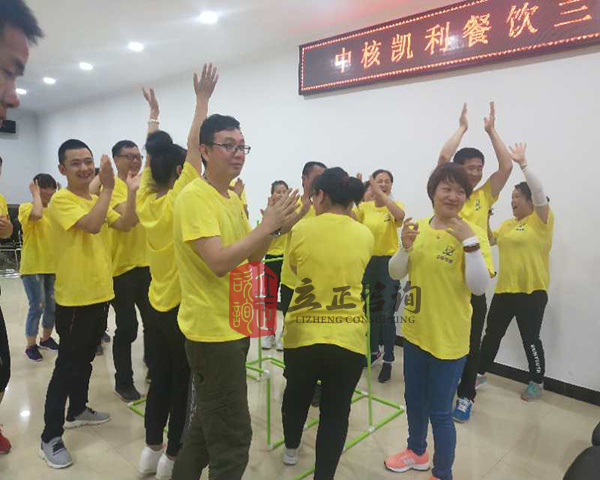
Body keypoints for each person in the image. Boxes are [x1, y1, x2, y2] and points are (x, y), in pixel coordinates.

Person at [171, 113, 297, 480]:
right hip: (212, 333)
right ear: (205, 150)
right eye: (228, 145)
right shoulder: (195, 198)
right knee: (232, 439)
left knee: (205, 428)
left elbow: (252, 258)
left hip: (233, 324)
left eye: (242, 146)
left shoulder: (229, 197)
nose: (238, 153)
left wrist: (274, 230)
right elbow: (219, 262)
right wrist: (266, 225)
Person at [385, 163, 494, 480]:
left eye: (460, 191)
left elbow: (478, 287)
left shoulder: (472, 233)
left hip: (450, 341)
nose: (453, 196)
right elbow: (395, 272)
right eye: (447, 188)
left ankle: (442, 472)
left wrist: (470, 245)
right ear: (433, 192)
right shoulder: (417, 227)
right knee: (413, 401)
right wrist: (405, 247)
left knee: (441, 412)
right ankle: (416, 451)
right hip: (415, 334)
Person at [136, 64, 218, 480]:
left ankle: (150, 450)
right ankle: (173, 456)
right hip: (180, 311)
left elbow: (156, 156)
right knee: (183, 383)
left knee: (160, 380)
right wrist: (202, 100)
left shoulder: (145, 202)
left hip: (155, 305)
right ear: (178, 173)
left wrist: (153, 117)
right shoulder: (177, 200)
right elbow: (192, 148)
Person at [39, 140, 138, 469]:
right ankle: (50, 436)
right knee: (67, 367)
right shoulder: (62, 201)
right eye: (76, 163)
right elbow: (93, 225)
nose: (84, 168)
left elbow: (126, 224)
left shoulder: (94, 199)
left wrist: (131, 193)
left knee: (84, 361)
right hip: (74, 299)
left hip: (99, 294)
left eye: (87, 161)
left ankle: (78, 409)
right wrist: (108, 188)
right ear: (62, 169)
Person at [281, 168, 373, 479]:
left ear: (321, 196)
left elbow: (295, 267)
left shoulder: (302, 229)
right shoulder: (365, 234)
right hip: (348, 337)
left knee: (296, 396)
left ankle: (291, 449)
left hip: (303, 333)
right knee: (336, 412)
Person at [437, 102, 512, 422]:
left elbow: (506, 167)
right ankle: (443, 386)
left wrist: (491, 131)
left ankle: (466, 395)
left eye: (480, 167)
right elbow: (443, 157)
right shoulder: (448, 195)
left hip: (474, 282)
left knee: (471, 341)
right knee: (444, 337)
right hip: (445, 279)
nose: (477, 172)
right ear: (457, 169)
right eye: (471, 167)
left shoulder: (483, 197)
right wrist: (462, 128)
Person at [478, 143, 554, 402]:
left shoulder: (541, 221)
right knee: (491, 335)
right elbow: (489, 240)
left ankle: (537, 381)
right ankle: (479, 373)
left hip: (532, 292)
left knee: (530, 339)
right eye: (511, 198)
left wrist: (523, 164)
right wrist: (485, 217)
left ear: (530, 200)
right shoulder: (508, 225)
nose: (512, 202)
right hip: (505, 291)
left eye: (517, 197)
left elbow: (540, 192)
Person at [0, 0, 43, 454]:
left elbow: (6, 232)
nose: (13, 97)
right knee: (36, 308)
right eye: (5, 71)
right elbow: (30, 221)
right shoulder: (44, 203)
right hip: (30, 267)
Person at [356, 169, 405, 383]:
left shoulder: (394, 206)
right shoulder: (364, 207)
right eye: (379, 181)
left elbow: (400, 216)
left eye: (386, 181)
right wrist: (354, 194)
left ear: (391, 185)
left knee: (385, 314)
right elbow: (351, 221)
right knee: (369, 311)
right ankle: (373, 351)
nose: (383, 184)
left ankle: (388, 360)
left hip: (387, 264)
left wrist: (380, 194)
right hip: (367, 263)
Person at [18, 174, 59, 362]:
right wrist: (36, 194)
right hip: (33, 266)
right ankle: (30, 345)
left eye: (52, 187)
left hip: (52, 266)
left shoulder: (55, 210)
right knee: (37, 306)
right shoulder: (26, 207)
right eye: (44, 187)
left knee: (52, 306)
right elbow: (37, 215)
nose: (49, 192)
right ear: (35, 188)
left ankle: (46, 338)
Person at [262, 179, 289, 350]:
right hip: (271, 258)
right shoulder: (268, 213)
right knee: (270, 298)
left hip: (287, 259)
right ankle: (269, 334)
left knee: (286, 298)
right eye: (278, 192)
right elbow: (265, 235)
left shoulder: (292, 213)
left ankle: (284, 334)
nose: (281, 195)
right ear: (272, 194)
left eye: (284, 192)